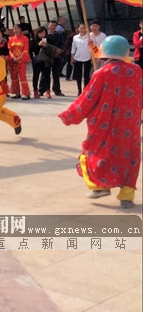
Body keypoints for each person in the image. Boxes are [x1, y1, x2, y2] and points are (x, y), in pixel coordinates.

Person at [58, 36, 141, 209]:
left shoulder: (102, 73)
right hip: (130, 125)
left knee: (92, 153)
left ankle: (99, 185)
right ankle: (126, 196)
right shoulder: (137, 70)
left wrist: (69, 115)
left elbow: (87, 99)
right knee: (129, 156)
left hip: (105, 124)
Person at [7, 23, 31, 99]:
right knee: (14, 78)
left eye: (18, 28)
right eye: (15, 28)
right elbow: (9, 50)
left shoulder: (25, 39)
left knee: (23, 77)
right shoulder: (11, 39)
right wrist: (13, 57)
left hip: (21, 61)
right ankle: (17, 93)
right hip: (13, 61)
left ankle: (26, 94)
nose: (16, 30)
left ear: (20, 29)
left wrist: (19, 58)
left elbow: (25, 50)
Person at [70, 23, 93, 95]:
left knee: (86, 75)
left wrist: (92, 58)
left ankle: (86, 89)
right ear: (78, 29)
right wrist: (72, 57)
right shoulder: (75, 37)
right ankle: (79, 90)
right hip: (78, 57)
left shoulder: (89, 37)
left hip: (87, 58)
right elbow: (73, 48)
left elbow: (92, 48)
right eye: (81, 28)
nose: (82, 29)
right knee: (78, 75)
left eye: (84, 28)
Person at [46, 21, 66, 96]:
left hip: (57, 56)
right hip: (47, 57)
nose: (53, 27)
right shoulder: (45, 35)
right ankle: (43, 89)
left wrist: (60, 50)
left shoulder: (59, 35)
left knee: (56, 74)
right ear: (48, 26)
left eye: (55, 25)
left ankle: (57, 90)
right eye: (51, 25)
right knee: (46, 74)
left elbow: (63, 44)